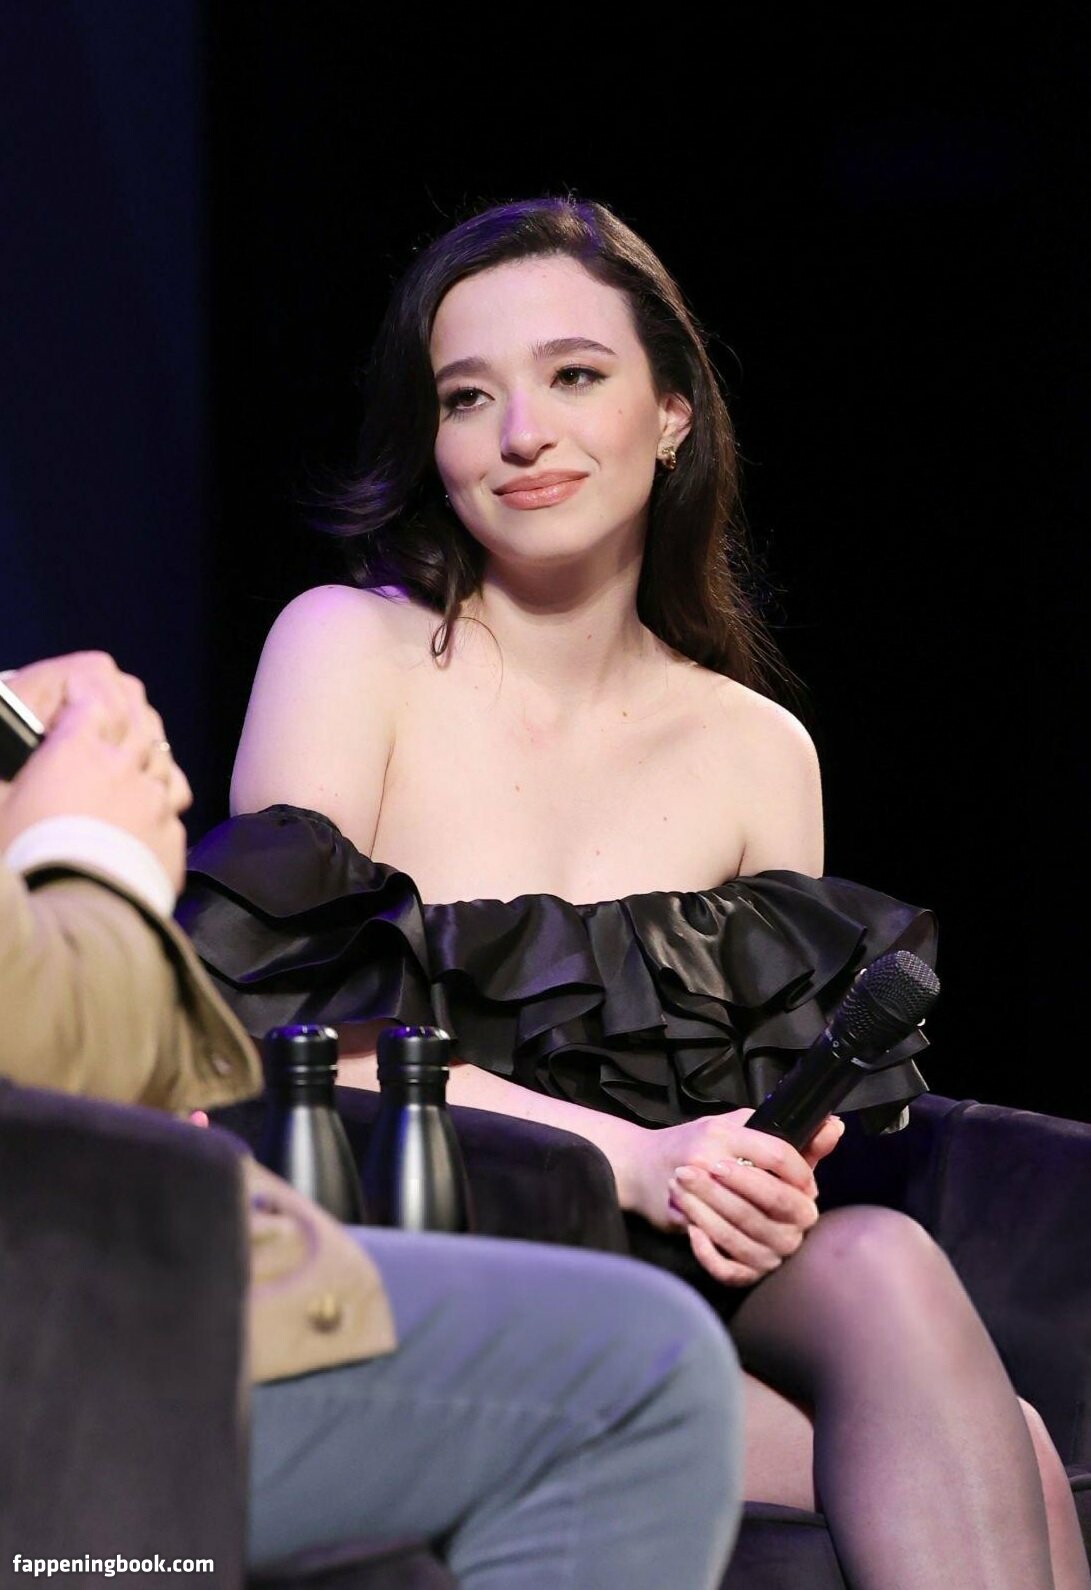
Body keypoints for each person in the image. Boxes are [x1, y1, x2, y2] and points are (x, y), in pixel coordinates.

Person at [181, 198, 1089, 1589]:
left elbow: (760, 1127)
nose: (518, 432)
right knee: (1000, 1450)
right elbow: (294, 1038)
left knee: (898, 1284)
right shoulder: (346, 651)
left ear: (670, 414)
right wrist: (635, 1157)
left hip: (680, 1277)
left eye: (572, 375)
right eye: (465, 396)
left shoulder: (755, 748)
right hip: (421, 1241)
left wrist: (756, 1169)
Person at [0, 651, 744, 1589]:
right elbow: (286, 1010)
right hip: (85, 1310)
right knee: (647, 1369)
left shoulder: (753, 740)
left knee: (871, 1288)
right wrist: (89, 852)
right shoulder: (344, 648)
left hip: (137, 1255)